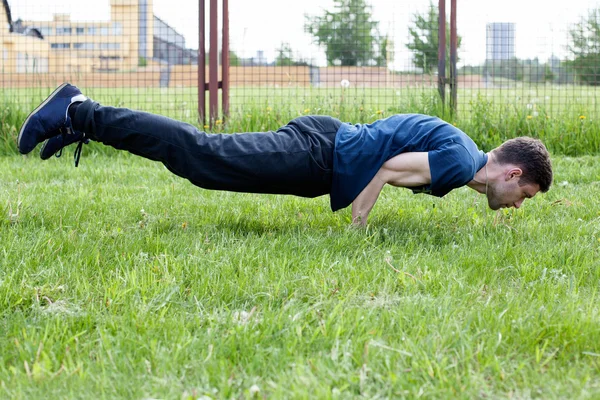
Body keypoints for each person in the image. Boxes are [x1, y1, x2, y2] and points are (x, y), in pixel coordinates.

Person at [17, 83, 553, 226]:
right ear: (511, 172)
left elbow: (393, 157)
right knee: (202, 154)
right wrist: (360, 226)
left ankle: (83, 122)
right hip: (319, 155)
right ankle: (80, 110)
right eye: (523, 194)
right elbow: (388, 169)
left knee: (204, 163)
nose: (516, 204)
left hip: (324, 150)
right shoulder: (461, 164)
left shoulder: (462, 158)